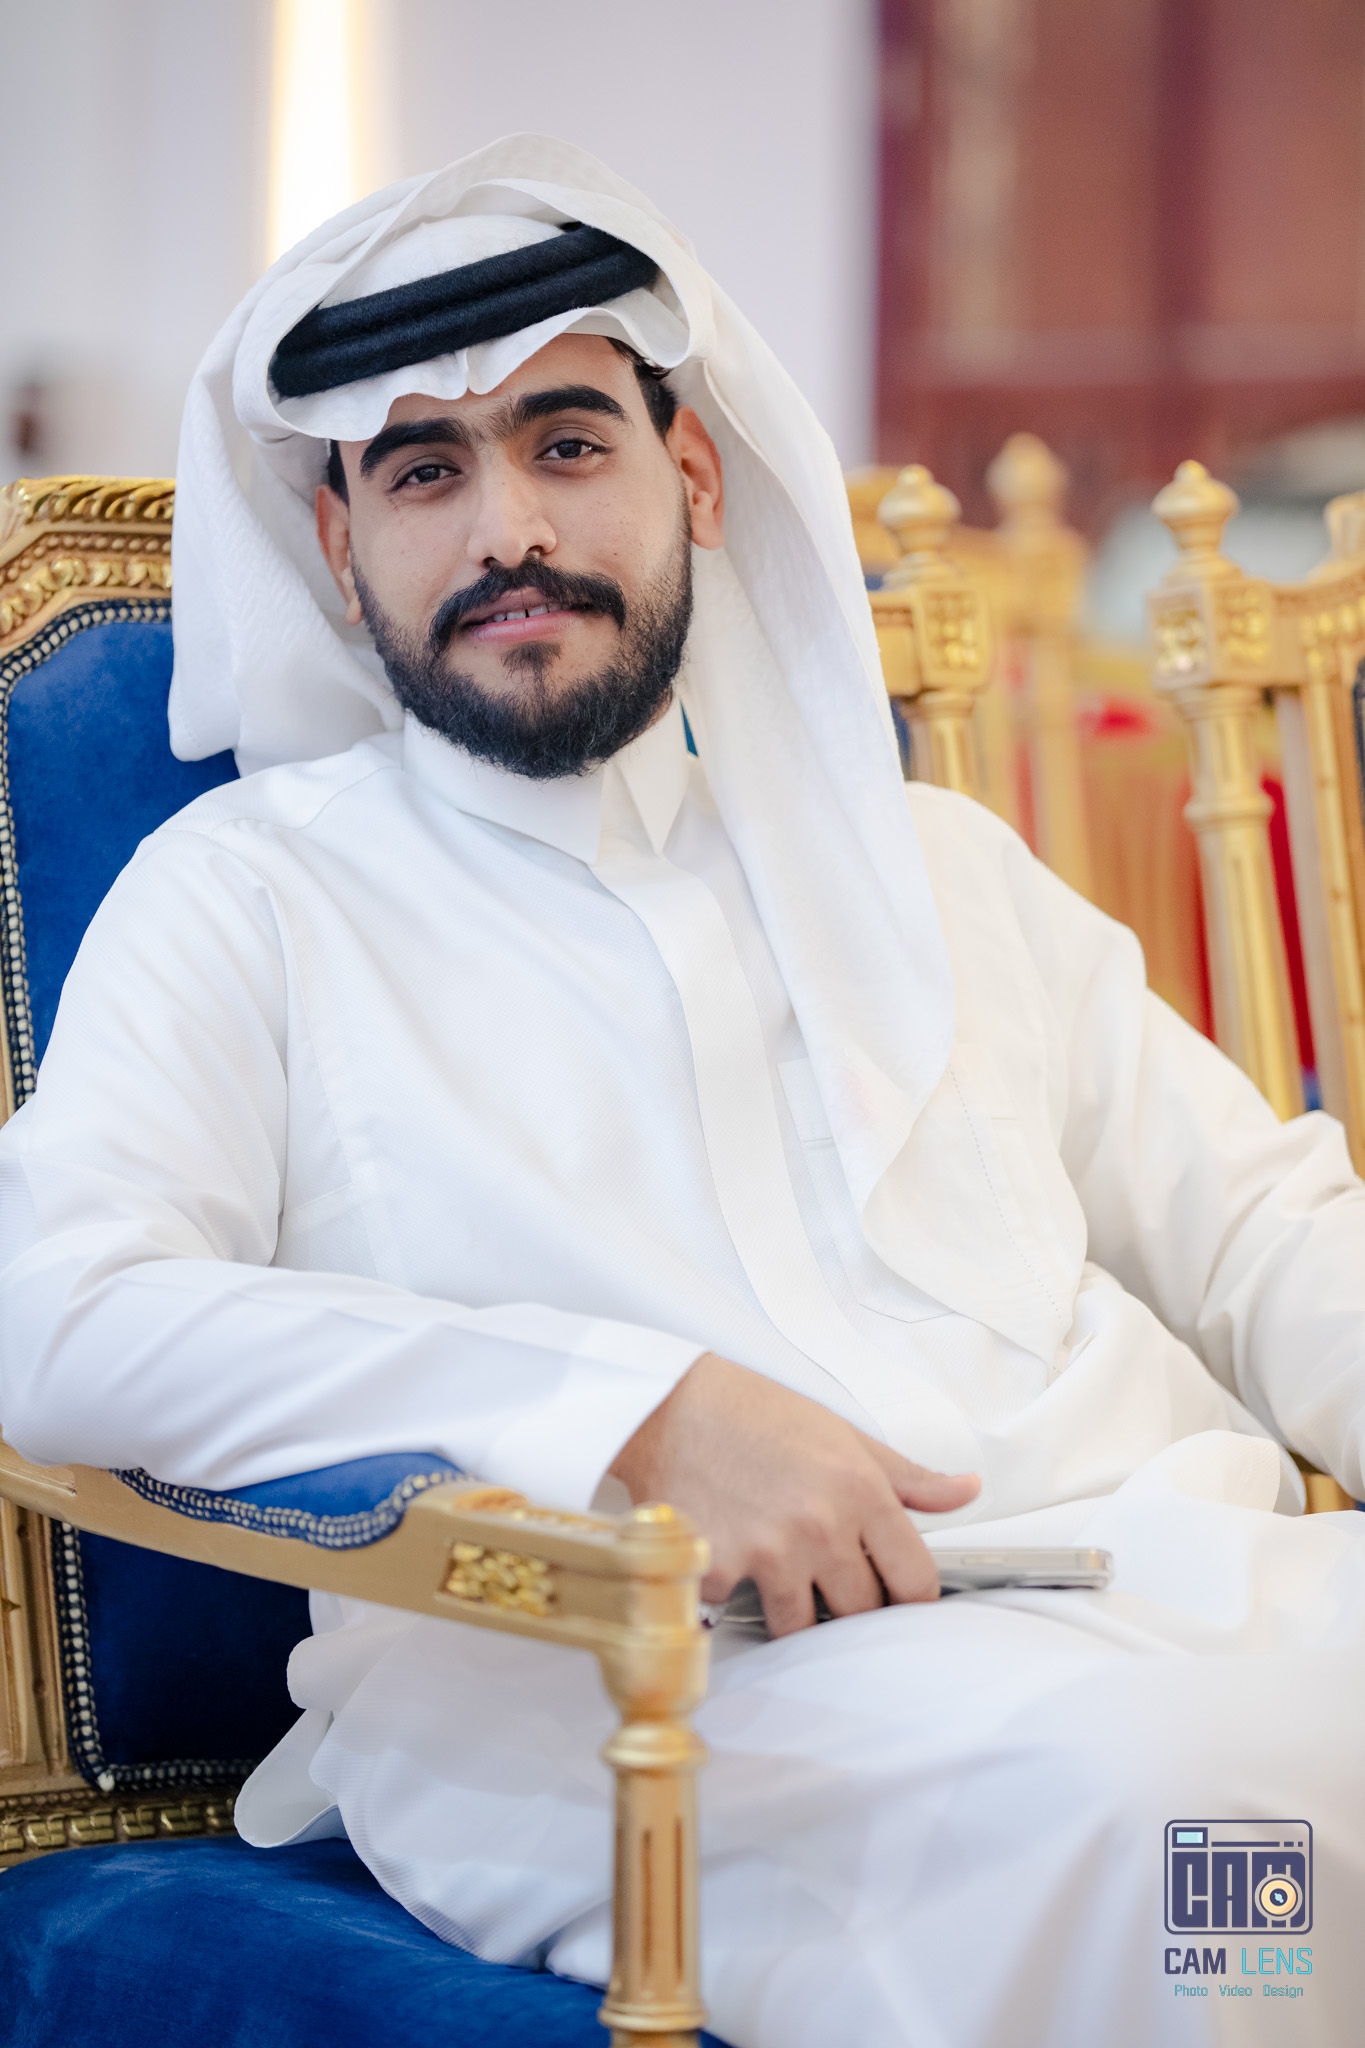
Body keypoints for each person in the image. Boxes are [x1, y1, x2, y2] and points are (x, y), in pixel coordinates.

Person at [0, 136, 1362, 2048]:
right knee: (1188, 1822)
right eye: (422, 472)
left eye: (567, 444)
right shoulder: (251, 899)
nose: (506, 531)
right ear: (338, 549)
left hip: (1164, 1575)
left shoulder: (929, 863)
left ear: (693, 476)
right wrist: (639, 1416)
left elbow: (1264, 1230)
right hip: (621, 1693)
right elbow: (63, 1312)